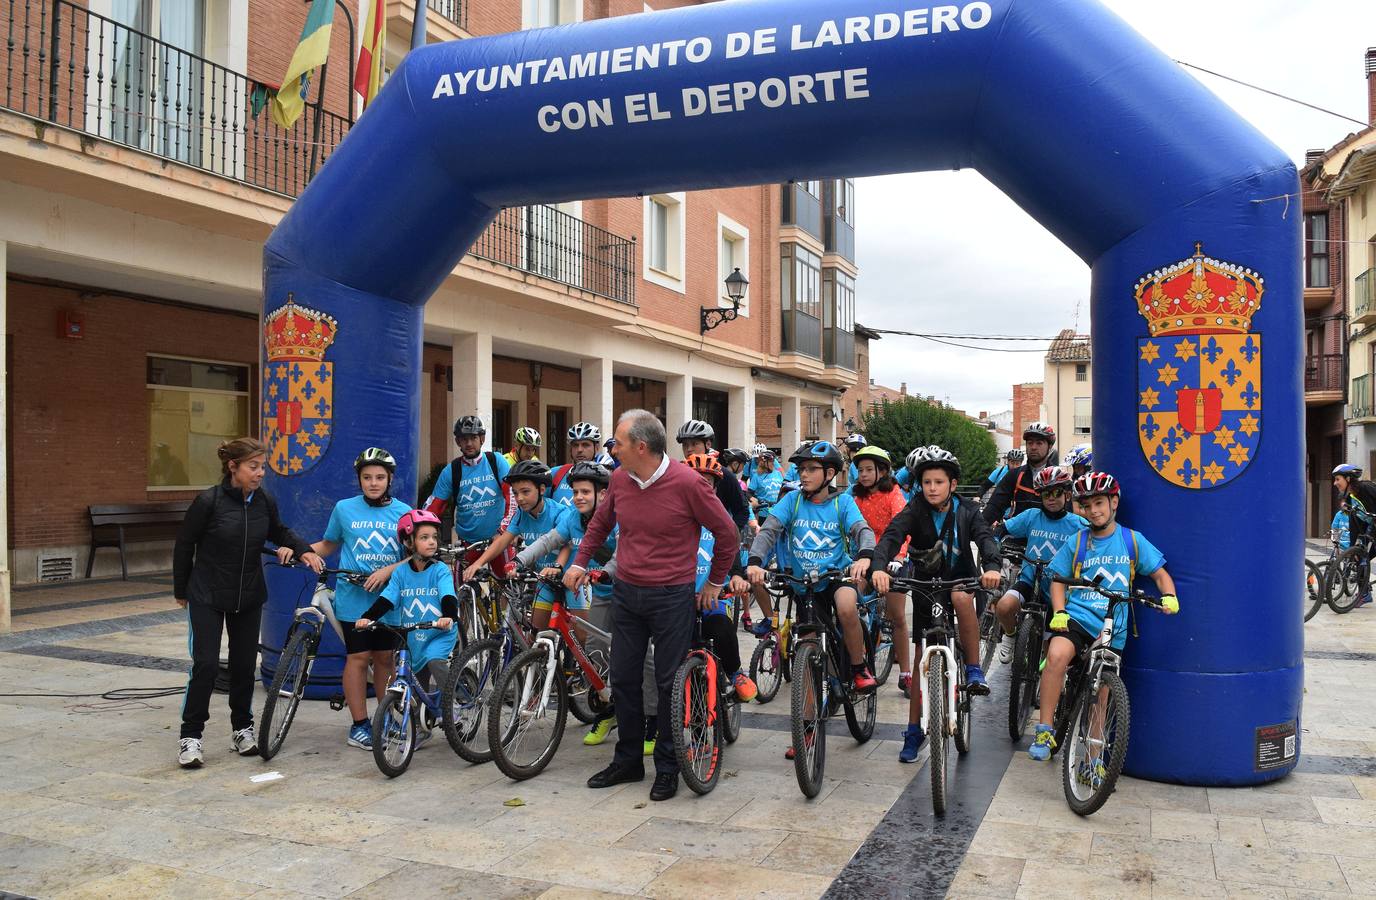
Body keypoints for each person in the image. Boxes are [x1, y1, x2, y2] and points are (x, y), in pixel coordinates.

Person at [566, 410, 739, 802]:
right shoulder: (621, 480)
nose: (613, 448)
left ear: (641, 447)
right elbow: (599, 525)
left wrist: (714, 581)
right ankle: (627, 761)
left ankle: (668, 766)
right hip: (628, 593)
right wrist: (579, 562)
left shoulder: (689, 483)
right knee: (624, 679)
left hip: (672, 597)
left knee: (667, 684)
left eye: (619, 443)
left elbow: (727, 533)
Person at [173, 437, 322, 768]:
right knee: (207, 665)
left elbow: (279, 532)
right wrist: (180, 589)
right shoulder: (208, 502)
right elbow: (184, 546)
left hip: (249, 595)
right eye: (253, 467)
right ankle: (190, 736)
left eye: (262, 467)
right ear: (233, 467)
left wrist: (303, 550)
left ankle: (242, 729)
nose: (259, 473)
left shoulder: (263, 501)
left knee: (243, 668)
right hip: (207, 594)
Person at [1030, 472, 1179, 761]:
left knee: (1102, 693)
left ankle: (1093, 759)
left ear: (1114, 502)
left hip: (1114, 627)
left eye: (1099, 503)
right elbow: (1058, 580)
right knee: (1058, 654)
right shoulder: (1078, 541)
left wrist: (1169, 597)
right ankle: (1044, 729)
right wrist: (1059, 612)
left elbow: (1160, 575)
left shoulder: (1132, 541)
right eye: (1087, 506)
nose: (1094, 511)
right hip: (1078, 618)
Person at [871, 445, 1002, 764]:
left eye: (939, 482)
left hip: (961, 580)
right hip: (926, 586)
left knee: (960, 598)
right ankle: (914, 730)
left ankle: (972, 668)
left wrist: (993, 566)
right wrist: (878, 565)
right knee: (920, 659)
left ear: (952, 484)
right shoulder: (915, 508)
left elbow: (985, 537)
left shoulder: (968, 510)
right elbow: (892, 535)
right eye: (927, 482)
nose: (932, 488)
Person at [747, 441, 877, 702]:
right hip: (803, 584)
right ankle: (806, 731)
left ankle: (858, 666)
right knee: (806, 648)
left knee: (846, 607)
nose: (802, 474)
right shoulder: (792, 501)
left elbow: (862, 531)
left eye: (810, 469)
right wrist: (754, 561)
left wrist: (864, 557)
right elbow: (770, 530)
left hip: (836, 576)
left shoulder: (843, 502)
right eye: (800, 469)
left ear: (829, 474)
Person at [309, 448, 411, 749]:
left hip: (388, 599)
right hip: (352, 598)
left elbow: (415, 555)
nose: (373, 482)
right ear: (359, 480)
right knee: (357, 658)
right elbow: (329, 544)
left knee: (384, 659)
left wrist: (387, 571)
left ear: (390, 479)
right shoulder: (344, 509)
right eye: (367, 477)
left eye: (380, 477)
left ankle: (386, 717)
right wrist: (299, 550)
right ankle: (359, 724)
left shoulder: (404, 512)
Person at [356, 509, 458, 748]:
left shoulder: (440, 570)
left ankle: (452, 704)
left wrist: (449, 616)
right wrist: (367, 617)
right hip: (414, 636)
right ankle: (420, 729)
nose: (432, 541)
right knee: (414, 685)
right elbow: (388, 599)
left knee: (434, 660)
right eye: (424, 537)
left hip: (439, 632)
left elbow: (447, 595)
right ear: (409, 542)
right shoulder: (401, 572)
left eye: (434, 536)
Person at [992, 466, 1086, 666]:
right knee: (1004, 607)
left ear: (1067, 495)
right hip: (1029, 580)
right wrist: (994, 542)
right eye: (1045, 494)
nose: (1051, 498)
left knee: (1048, 652)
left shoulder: (1078, 524)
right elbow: (1003, 529)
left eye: (1056, 492)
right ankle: (1010, 635)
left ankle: (1037, 688)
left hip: (1059, 591)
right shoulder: (1032, 516)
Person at [684, 454, 758, 701]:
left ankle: (735, 672)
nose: (701, 488)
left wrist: (736, 576)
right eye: (695, 481)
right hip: (677, 597)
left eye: (707, 483)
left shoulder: (721, 519)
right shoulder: (670, 517)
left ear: (715, 489)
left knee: (722, 627)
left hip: (713, 594)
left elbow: (731, 552)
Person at [848, 445, 915, 697]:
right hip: (864, 559)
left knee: (897, 616)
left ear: (883, 471)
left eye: (868, 470)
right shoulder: (856, 497)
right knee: (850, 601)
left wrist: (898, 557)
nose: (862, 475)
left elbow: (904, 528)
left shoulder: (894, 494)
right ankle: (855, 661)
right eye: (859, 470)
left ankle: (906, 674)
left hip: (892, 559)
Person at [466, 460, 570, 614]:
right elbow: (502, 541)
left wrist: (556, 566)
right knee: (537, 632)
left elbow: (568, 544)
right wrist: (478, 563)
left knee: (579, 635)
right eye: (515, 493)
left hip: (568, 578)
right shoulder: (521, 514)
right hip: (544, 581)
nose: (519, 498)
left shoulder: (560, 513)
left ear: (541, 489)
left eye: (525, 492)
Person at [424, 416, 513, 565]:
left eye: (473, 438)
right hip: (467, 544)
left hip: (498, 540)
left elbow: (513, 499)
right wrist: (423, 533)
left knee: (509, 583)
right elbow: (434, 508)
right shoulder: (451, 471)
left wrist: (502, 531)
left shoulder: (496, 461)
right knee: (462, 586)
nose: (469, 443)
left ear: (482, 439)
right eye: (464, 439)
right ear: (458, 442)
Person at [677, 419, 751, 533]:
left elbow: (742, 510)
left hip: (714, 543)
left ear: (708, 444)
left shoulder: (724, 475)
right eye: (685, 445)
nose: (689, 449)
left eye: (694, 443)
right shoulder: (678, 473)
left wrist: (731, 535)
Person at [983, 423, 1056, 524]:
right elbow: (994, 507)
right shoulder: (1014, 476)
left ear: (1050, 446)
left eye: (1039, 443)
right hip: (1016, 535)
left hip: (1048, 535)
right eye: (1030, 443)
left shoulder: (1058, 478)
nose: (1033, 447)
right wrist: (979, 529)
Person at [1333, 463, 1376, 607]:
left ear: (1348, 479)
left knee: (1363, 557)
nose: (1335, 483)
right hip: (1369, 530)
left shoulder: (1366, 488)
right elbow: (1354, 523)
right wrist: (1353, 549)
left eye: (1338, 479)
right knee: (1359, 557)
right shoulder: (1351, 497)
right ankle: (1365, 594)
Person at [550, 422, 603, 504]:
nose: (579, 450)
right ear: (570, 449)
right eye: (575, 445)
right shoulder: (556, 473)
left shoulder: (604, 476)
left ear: (596, 448)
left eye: (585, 445)